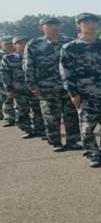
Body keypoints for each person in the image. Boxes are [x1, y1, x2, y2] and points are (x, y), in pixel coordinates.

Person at [60, 13, 101, 167]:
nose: (91, 25)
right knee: (87, 128)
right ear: (78, 25)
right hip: (85, 95)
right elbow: (66, 72)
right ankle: (93, 154)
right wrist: (72, 93)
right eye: (86, 22)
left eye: (93, 22)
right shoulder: (70, 48)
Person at [23, 17, 81, 151]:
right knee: (51, 117)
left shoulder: (69, 42)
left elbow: (78, 63)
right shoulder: (34, 44)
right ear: (41, 28)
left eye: (56, 24)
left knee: (71, 115)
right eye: (49, 25)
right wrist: (32, 85)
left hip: (68, 87)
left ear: (60, 26)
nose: (54, 27)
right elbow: (28, 66)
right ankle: (55, 142)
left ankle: (73, 141)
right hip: (46, 88)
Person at [1, 36, 46, 139]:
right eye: (20, 43)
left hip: (34, 88)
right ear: (14, 45)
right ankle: (28, 130)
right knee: (22, 111)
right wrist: (9, 89)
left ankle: (40, 129)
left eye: (25, 42)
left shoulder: (34, 56)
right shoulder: (8, 58)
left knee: (38, 110)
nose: (23, 45)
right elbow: (5, 75)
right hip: (19, 90)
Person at [0, 36, 16, 127]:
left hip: (17, 79)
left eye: (10, 44)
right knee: (7, 99)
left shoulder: (17, 53)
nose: (8, 46)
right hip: (3, 81)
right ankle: (10, 118)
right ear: (1, 45)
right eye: (6, 44)